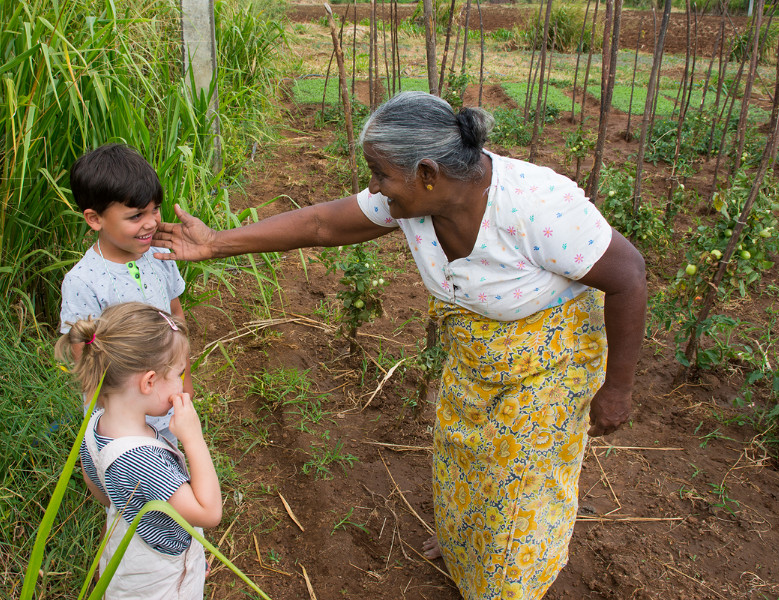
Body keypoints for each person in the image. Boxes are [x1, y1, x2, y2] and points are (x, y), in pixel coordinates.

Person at [152, 91, 647, 600]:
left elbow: (628, 276)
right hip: (476, 356)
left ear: (428, 173)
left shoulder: (539, 207)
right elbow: (321, 224)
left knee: (521, 491)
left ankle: (508, 583)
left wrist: (618, 390)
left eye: (380, 174)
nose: (373, 186)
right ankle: (470, 550)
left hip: (551, 362)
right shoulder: (414, 201)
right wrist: (215, 242)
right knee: (465, 458)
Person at [56, 302, 221, 599]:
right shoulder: (146, 461)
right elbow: (208, 513)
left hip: (127, 547)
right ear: (149, 382)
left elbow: (99, 489)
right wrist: (193, 437)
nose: (182, 386)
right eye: (179, 375)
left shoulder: (94, 425)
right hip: (162, 578)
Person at [59, 143, 193, 443]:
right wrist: (109, 417)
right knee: (126, 480)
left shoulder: (159, 256)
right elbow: (85, 355)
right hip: (120, 416)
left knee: (167, 470)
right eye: (135, 216)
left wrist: (185, 380)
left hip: (166, 401)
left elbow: (177, 317)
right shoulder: (84, 281)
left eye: (155, 209)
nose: (151, 223)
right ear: (95, 219)